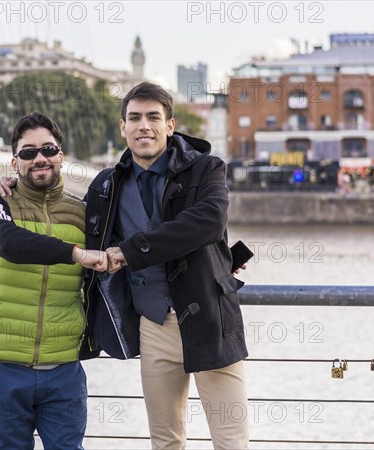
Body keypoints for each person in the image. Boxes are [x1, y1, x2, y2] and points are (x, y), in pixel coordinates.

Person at [84, 82, 250, 449]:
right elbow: (72, 225)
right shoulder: (105, 185)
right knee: (165, 441)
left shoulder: (206, 168)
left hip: (210, 318)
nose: (144, 125)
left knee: (230, 442)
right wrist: (10, 185)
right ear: (122, 127)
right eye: (135, 118)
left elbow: (207, 222)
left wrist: (129, 251)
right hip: (153, 325)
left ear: (170, 125)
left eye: (153, 117)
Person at [0, 112, 107, 450]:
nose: (39, 158)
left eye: (47, 149)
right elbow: (8, 244)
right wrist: (75, 253)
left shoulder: (82, 211)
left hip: (63, 367)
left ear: (61, 155)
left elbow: (136, 238)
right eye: (28, 152)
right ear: (14, 161)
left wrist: (220, 261)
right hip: (5, 363)